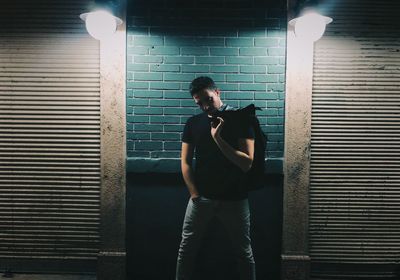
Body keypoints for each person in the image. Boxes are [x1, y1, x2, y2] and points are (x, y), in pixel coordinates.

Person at [176, 76, 256, 280]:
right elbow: (185, 161)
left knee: (243, 253)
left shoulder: (241, 119)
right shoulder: (193, 123)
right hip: (201, 199)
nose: (205, 106)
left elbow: (247, 163)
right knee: (186, 250)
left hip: (235, 199)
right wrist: (194, 194)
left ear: (217, 93)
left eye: (208, 99)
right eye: (199, 102)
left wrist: (217, 139)